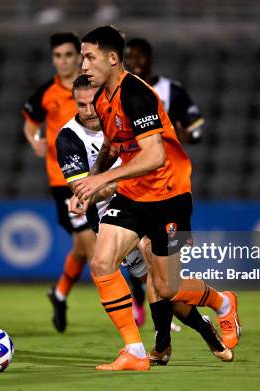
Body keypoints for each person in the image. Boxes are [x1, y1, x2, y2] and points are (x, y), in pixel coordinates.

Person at [74, 26, 240, 371]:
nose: (83, 65)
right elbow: (112, 144)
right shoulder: (102, 97)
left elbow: (154, 157)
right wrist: (91, 183)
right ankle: (134, 352)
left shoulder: (137, 95)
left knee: (167, 288)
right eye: (82, 57)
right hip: (134, 195)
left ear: (112, 58)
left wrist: (104, 179)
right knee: (102, 263)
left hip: (169, 196)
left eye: (89, 57)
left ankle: (223, 302)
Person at [124, 37, 206, 326]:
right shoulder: (120, 94)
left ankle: (216, 302)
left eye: (139, 57)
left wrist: (169, 137)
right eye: (128, 57)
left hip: (171, 187)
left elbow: (197, 130)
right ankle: (157, 330)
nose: (134, 62)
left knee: (169, 277)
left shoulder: (172, 91)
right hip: (135, 187)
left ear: (150, 60)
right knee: (132, 251)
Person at [21, 32, 95, 333]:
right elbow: (30, 123)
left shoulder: (90, 88)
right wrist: (34, 141)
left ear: (78, 56)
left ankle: (60, 292)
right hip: (64, 181)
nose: (63, 61)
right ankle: (130, 315)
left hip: (98, 176)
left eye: (68, 54)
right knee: (94, 248)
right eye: (58, 56)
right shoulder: (45, 93)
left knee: (81, 246)